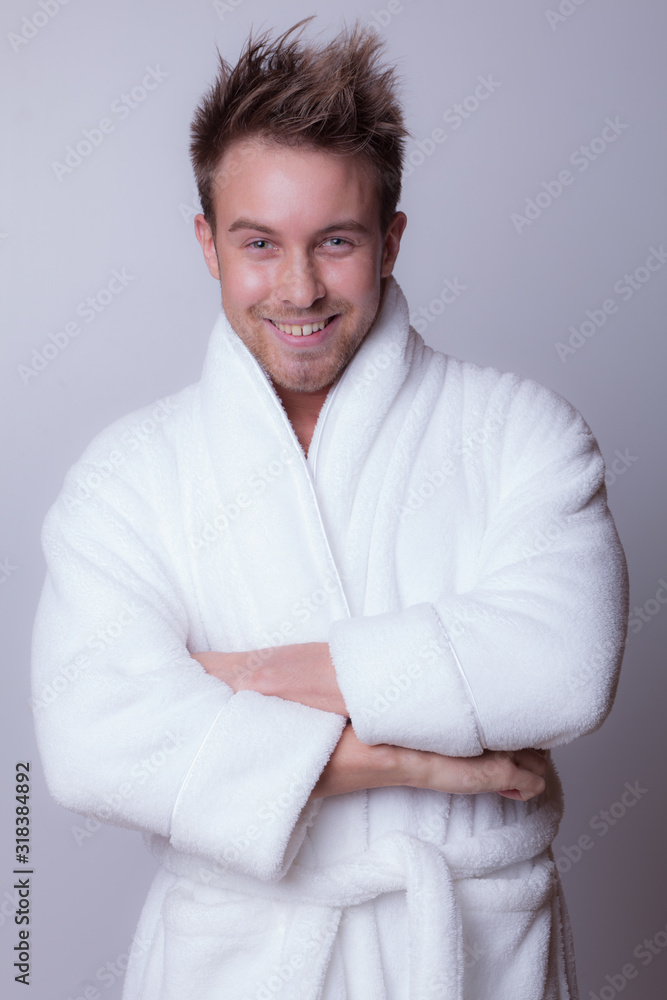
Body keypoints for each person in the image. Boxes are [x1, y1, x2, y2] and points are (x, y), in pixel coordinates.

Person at [31, 18, 629, 1000]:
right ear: (207, 244)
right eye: (259, 244)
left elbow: (562, 665)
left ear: (390, 240)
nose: (299, 288)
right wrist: (420, 762)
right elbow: (92, 741)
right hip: (232, 965)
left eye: (336, 241)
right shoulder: (128, 477)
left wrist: (248, 676)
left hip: (471, 957)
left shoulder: (520, 432)